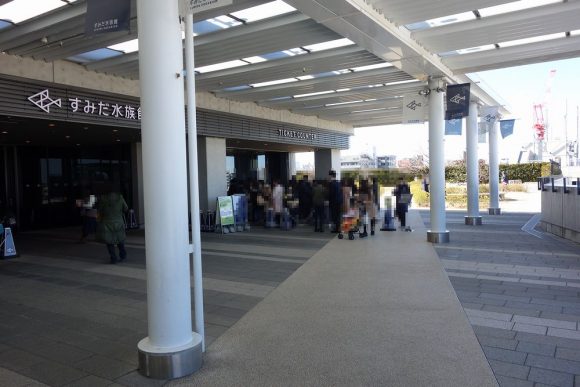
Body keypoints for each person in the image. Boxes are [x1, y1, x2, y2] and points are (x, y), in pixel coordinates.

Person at [96, 184, 129, 264]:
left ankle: (113, 258)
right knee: (120, 239)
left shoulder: (103, 199)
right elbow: (126, 208)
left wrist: (98, 220)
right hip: (119, 222)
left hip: (107, 223)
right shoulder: (120, 197)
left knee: (109, 241)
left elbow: (100, 211)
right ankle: (123, 255)